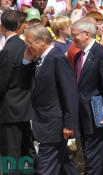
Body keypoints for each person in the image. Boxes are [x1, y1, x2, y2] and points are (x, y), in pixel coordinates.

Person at [20, 23, 79, 175]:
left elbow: (70, 93)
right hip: (44, 122)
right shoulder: (39, 59)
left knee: (44, 168)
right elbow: (25, 84)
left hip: (54, 124)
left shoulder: (57, 58)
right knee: (64, 165)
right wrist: (26, 61)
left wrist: (69, 124)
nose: (27, 46)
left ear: (42, 41)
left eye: (29, 42)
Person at [71, 19, 103, 175]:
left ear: (86, 34)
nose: (72, 39)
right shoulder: (79, 55)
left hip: (97, 115)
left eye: (75, 36)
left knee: (92, 159)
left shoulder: (101, 53)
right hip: (82, 114)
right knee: (90, 155)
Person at [0, 9, 35, 174]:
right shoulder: (23, 46)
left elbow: (2, 83)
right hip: (24, 107)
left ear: (2, 26)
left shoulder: (8, 49)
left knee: (10, 154)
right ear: (20, 25)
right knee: (25, 150)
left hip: (9, 110)